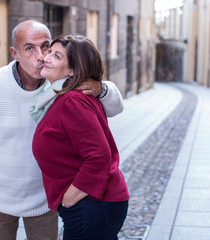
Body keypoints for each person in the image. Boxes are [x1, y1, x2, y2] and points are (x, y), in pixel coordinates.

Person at [0, 20, 124, 240]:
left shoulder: (63, 83)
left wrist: (102, 88)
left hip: (45, 198)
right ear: (15, 53)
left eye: (46, 46)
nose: (41, 55)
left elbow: (115, 108)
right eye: (30, 48)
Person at [32, 34, 130, 240]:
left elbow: (99, 156)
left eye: (56, 56)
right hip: (96, 204)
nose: (46, 58)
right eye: (49, 52)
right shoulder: (67, 96)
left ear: (73, 70)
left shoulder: (72, 101)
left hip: (91, 204)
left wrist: (69, 199)